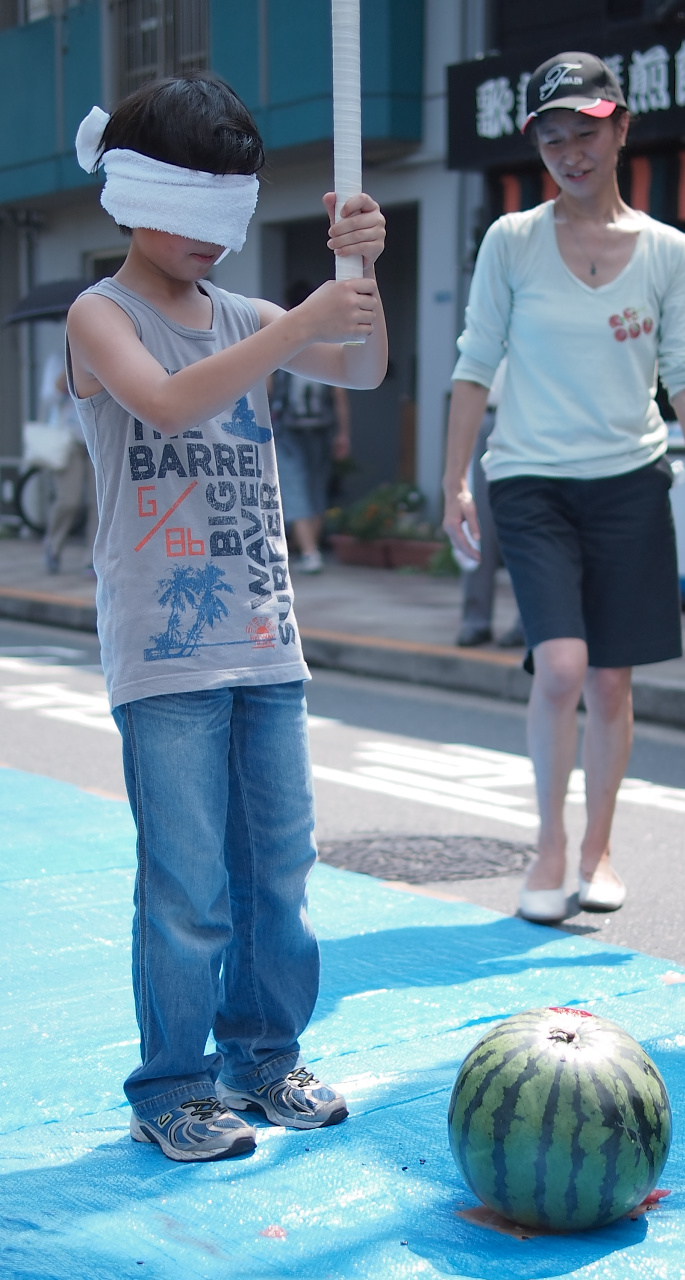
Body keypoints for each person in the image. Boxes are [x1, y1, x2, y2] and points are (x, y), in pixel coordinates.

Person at [65, 74, 387, 1162]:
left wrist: (361, 272)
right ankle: (172, 1083)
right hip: (164, 660)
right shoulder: (101, 315)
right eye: (191, 207)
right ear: (130, 195)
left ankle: (264, 1056)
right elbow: (167, 400)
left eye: (228, 212)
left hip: (266, 644)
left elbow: (365, 365)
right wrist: (302, 321)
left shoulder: (247, 317)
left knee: (279, 874)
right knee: (187, 886)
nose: (213, 239)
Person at [443, 53, 685, 923]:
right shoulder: (511, 241)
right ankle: (549, 844)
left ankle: (598, 849)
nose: (570, 153)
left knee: (612, 682)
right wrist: (453, 479)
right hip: (531, 480)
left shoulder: (668, 252)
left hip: (630, 483)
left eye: (585, 133)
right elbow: (474, 363)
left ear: (621, 131)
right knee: (563, 666)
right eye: (552, 138)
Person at [269, 280, 351, 574]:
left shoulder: (282, 334)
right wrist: (343, 433)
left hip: (292, 428)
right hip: (318, 428)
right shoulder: (326, 337)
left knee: (299, 487)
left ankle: (309, 551)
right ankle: (310, 550)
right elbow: (339, 394)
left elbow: (267, 384)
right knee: (312, 487)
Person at [456, 358, 525, 648]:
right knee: (477, 521)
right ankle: (476, 619)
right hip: (484, 414)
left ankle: (528, 622)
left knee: (527, 522)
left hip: (526, 420)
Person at [40, 355, 98, 574]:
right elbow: (50, 396)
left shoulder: (99, 351)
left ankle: (92, 558)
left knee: (99, 502)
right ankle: (52, 546)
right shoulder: (57, 359)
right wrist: (72, 361)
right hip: (68, 440)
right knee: (68, 500)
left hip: (96, 437)